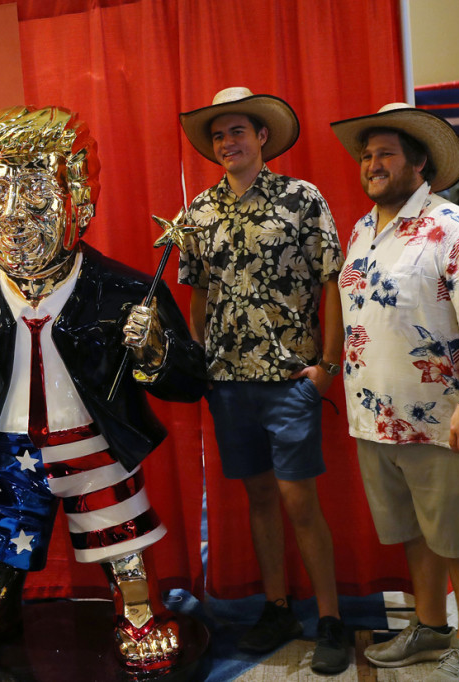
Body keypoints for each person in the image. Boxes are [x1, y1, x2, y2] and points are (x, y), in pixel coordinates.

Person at [0, 105, 208, 675]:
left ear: (79, 198)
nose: (14, 217)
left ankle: (138, 606)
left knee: (118, 531)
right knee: (0, 531)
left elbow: (191, 384)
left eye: (35, 196)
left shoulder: (124, 290)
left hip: (94, 445)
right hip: (9, 449)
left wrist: (155, 353)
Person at [331, 103, 459, 682]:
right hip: (375, 419)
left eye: (385, 153)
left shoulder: (456, 228)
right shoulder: (364, 228)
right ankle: (432, 626)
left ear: (420, 164)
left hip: (446, 422)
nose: (371, 164)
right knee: (415, 532)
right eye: (367, 155)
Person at [177, 87, 349, 674]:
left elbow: (332, 280)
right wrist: (197, 360)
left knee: (300, 499)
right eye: (219, 135)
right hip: (227, 383)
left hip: (289, 380)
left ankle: (330, 619)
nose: (229, 143)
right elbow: (198, 291)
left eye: (238, 132)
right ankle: (277, 608)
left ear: (263, 138)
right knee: (256, 498)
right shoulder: (198, 212)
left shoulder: (303, 199)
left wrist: (328, 365)